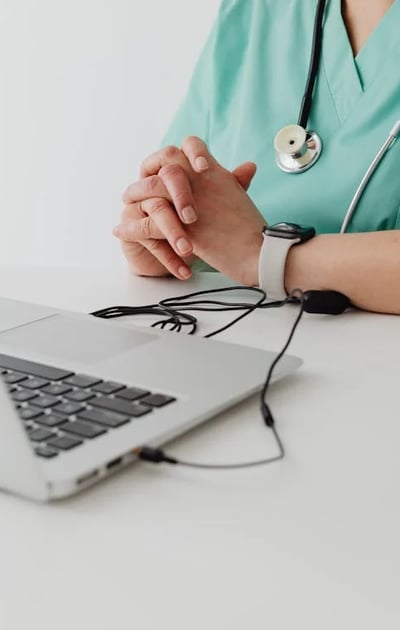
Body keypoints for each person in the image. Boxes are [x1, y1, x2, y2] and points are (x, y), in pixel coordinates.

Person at [113, 0, 400, 314]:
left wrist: (263, 256)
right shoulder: (256, 10)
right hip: (227, 347)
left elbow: (243, 248)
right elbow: (179, 192)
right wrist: (168, 239)